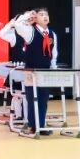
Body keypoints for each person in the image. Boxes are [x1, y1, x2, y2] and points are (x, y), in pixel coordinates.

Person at [13, 8, 59, 136]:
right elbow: (17, 25)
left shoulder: (52, 34)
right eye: (41, 14)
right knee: (32, 98)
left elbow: (54, 53)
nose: (45, 16)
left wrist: (53, 68)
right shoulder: (30, 31)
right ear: (36, 18)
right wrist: (28, 15)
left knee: (43, 99)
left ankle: (41, 126)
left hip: (45, 71)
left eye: (46, 14)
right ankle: (32, 126)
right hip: (31, 71)